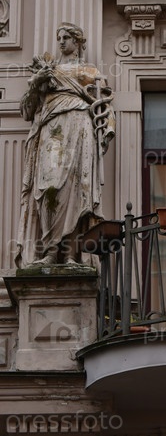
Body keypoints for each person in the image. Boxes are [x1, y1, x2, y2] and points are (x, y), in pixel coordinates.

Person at [16, 23, 115, 267]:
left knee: (77, 188)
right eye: (59, 37)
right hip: (51, 130)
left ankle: (71, 255)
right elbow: (27, 110)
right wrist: (35, 83)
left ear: (78, 42)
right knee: (48, 186)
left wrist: (107, 124)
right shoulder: (48, 71)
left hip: (80, 126)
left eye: (67, 37)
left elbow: (104, 104)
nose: (61, 42)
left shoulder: (90, 71)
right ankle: (50, 252)